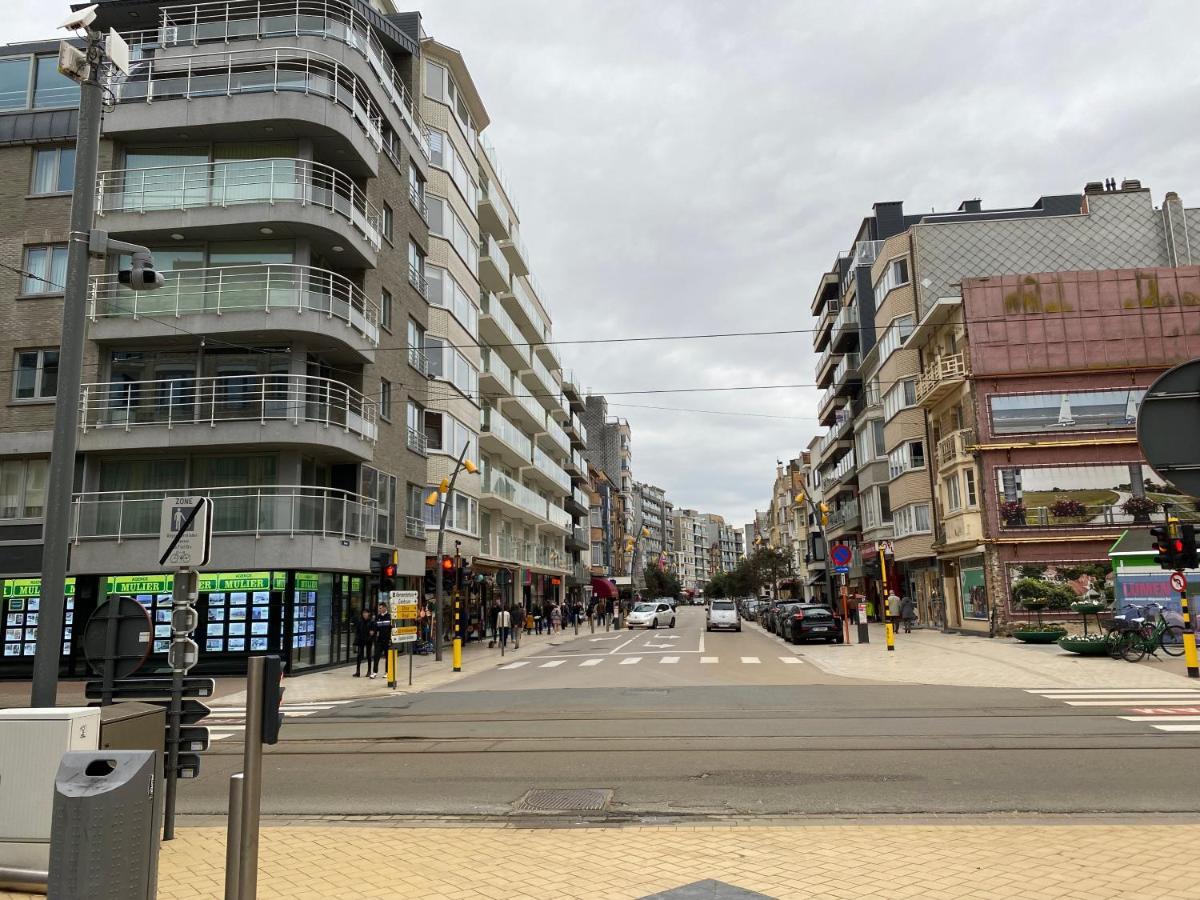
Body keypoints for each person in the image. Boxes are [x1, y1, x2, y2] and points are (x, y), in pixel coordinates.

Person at [370, 601, 392, 678]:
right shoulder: (377, 617)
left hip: (387, 640)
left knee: (387, 657)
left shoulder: (389, 617)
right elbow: (375, 627)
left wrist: (390, 639)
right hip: (379, 640)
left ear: (385, 608)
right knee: (376, 656)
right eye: (379, 608)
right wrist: (373, 631)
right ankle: (374, 672)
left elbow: (392, 629)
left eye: (381, 608)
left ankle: (387, 672)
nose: (379, 609)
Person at [353, 608, 374, 678]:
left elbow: (373, 631)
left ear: (369, 614)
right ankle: (358, 671)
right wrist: (356, 641)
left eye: (366, 613)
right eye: (363, 613)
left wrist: (371, 634)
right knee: (359, 656)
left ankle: (369, 671)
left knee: (368, 655)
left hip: (369, 640)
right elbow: (357, 632)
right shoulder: (360, 621)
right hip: (361, 640)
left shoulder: (371, 621)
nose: (364, 614)